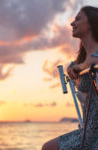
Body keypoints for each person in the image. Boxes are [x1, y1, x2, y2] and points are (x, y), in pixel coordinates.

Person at [42, 6, 98, 150]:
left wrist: (82, 66)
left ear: (92, 23)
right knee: (47, 147)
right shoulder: (80, 62)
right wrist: (73, 67)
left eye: (78, 19)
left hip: (95, 135)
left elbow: (93, 61)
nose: (72, 24)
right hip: (87, 132)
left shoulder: (93, 59)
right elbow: (75, 66)